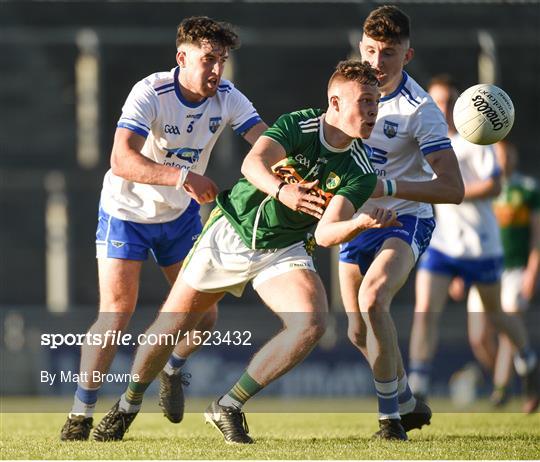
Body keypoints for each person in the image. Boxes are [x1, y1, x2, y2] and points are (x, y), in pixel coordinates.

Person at [90, 59, 400, 444]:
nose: (372, 110)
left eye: (376, 102)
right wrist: (282, 190)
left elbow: (325, 234)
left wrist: (359, 224)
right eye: (364, 101)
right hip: (232, 231)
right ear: (334, 103)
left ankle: (229, 405)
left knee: (313, 322)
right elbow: (252, 163)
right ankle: (128, 405)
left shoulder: (360, 168)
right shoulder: (298, 125)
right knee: (172, 326)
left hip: (283, 247)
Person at [60, 16, 268, 441]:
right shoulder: (151, 91)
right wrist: (181, 176)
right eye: (208, 59)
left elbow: (266, 141)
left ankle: (171, 370)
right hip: (127, 212)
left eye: (221, 60)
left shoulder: (227, 97)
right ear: (182, 58)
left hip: (179, 219)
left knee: (205, 315)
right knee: (116, 313)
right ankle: (80, 416)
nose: (216, 70)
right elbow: (121, 159)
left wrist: (294, 172)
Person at [338, 7, 465, 441]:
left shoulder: (421, 110)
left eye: (388, 54)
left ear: (407, 56)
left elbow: (452, 187)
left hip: (405, 219)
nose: (376, 63)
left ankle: (390, 420)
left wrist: (388, 186)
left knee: (374, 299)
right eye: (370, 50)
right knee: (356, 329)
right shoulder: (347, 91)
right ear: (360, 47)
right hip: (356, 219)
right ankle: (406, 399)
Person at [407, 76, 540, 414]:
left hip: (482, 245)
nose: (445, 108)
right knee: (425, 311)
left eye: (450, 101)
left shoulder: (476, 138)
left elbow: (495, 188)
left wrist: (452, 189)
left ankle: (528, 362)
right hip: (444, 245)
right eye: (438, 101)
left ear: (461, 104)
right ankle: (416, 392)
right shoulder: (426, 141)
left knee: (496, 315)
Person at [467, 140, 540, 412]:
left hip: (515, 271)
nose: (503, 158)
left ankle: (502, 389)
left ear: (515, 155)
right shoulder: (481, 187)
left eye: (507, 153)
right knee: (479, 338)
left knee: (508, 326)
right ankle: (512, 380)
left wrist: (532, 270)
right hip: (483, 266)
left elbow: (537, 236)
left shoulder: (527, 189)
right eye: (498, 154)